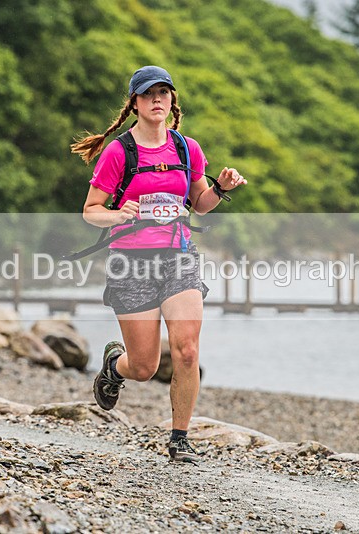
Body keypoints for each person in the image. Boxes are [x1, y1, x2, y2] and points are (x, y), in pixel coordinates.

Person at [70, 65, 247, 463]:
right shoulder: (120, 152)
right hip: (130, 264)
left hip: (179, 256)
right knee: (146, 366)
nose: (157, 100)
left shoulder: (187, 149)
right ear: (134, 103)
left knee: (186, 351)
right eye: (149, 94)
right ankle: (115, 367)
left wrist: (220, 188)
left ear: (172, 102)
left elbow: (199, 205)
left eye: (164, 93)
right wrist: (118, 215)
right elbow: (90, 211)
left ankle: (179, 439)